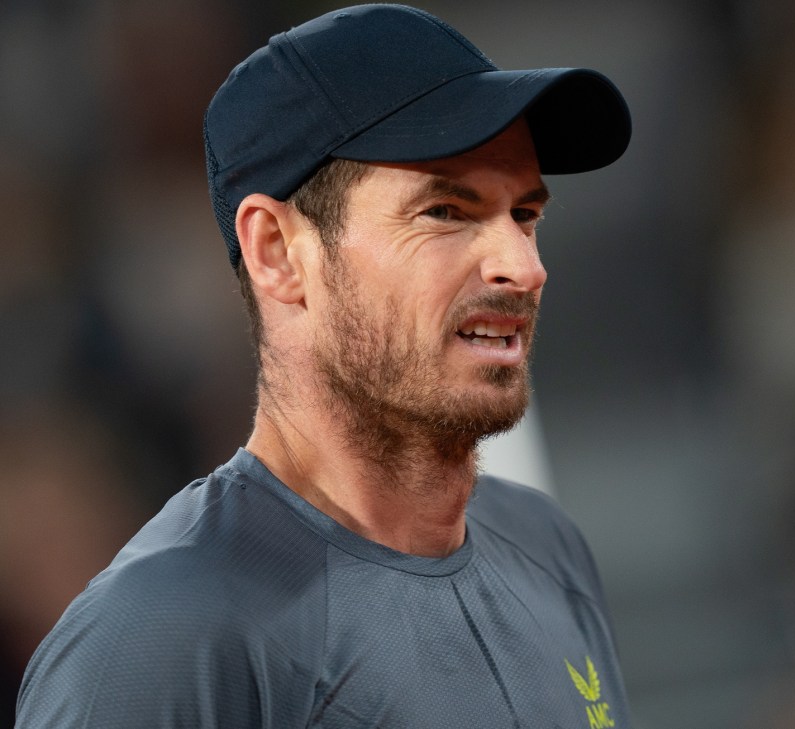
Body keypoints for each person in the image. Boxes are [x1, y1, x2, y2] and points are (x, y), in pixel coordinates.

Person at [15, 4, 632, 728]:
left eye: (524, 214)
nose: (522, 266)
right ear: (277, 251)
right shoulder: (159, 639)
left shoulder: (545, 544)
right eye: (445, 212)